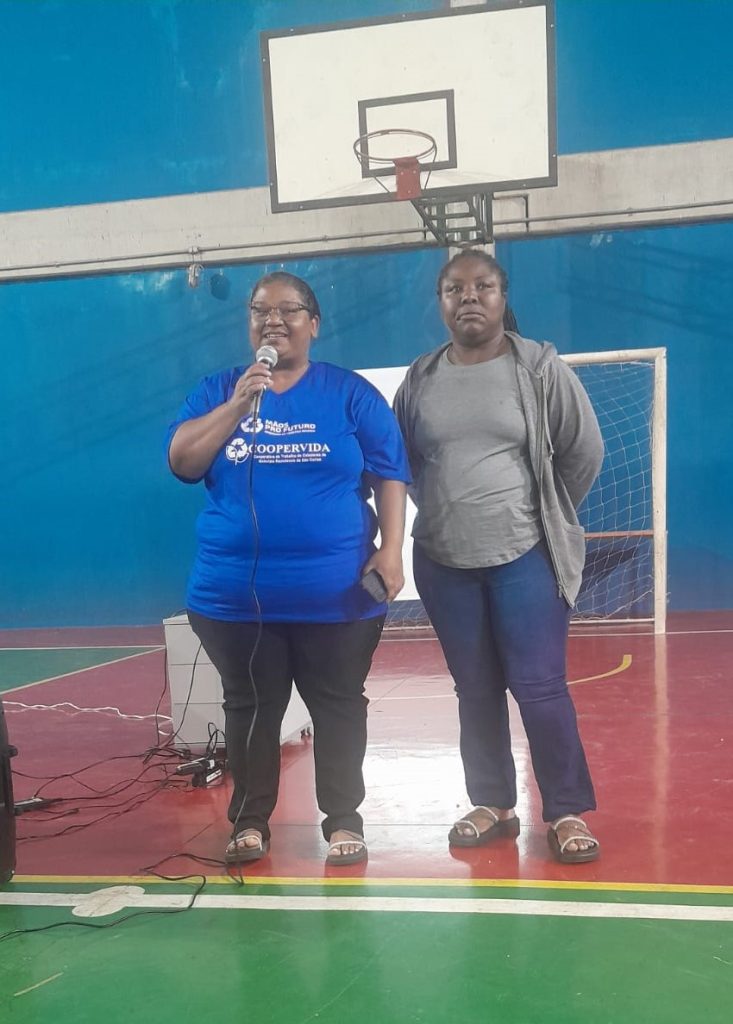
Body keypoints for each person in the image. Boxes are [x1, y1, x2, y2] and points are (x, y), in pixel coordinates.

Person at [167, 271, 409, 867]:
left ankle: (344, 820)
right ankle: (249, 823)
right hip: (235, 600)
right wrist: (236, 405)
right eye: (260, 310)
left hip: (338, 596)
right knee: (250, 707)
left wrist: (391, 549)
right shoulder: (218, 390)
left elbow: (390, 472)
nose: (272, 320)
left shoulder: (350, 394)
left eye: (288, 310)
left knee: (338, 705)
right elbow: (183, 462)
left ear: (314, 323)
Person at [393, 249, 604, 864]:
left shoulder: (538, 367)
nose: (469, 297)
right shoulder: (421, 378)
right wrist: (440, 510)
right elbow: (401, 461)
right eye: (454, 288)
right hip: (443, 561)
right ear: (440, 302)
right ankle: (492, 803)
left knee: (540, 688)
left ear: (502, 296)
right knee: (475, 689)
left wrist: (544, 516)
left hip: (525, 558)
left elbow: (583, 451)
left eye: (482, 285)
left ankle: (565, 810)